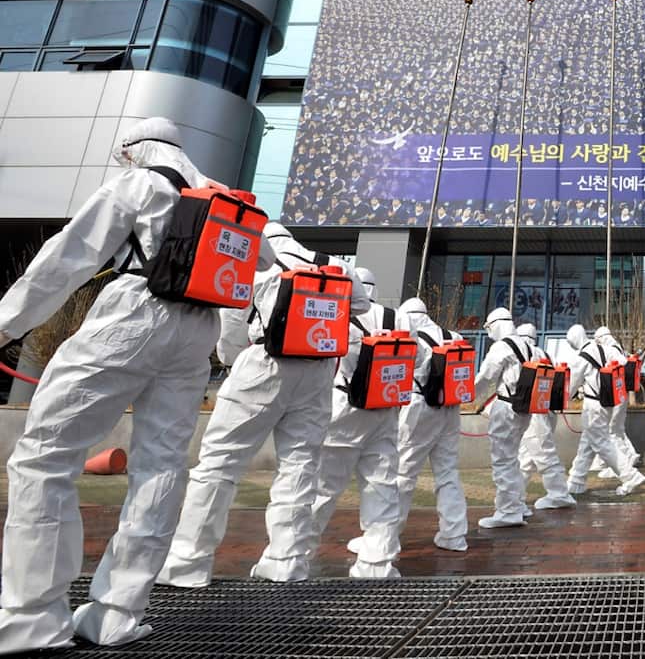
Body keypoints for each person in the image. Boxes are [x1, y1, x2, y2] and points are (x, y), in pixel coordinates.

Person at [0, 118, 274, 652]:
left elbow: (66, 257)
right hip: (197, 329)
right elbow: (257, 272)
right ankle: (118, 613)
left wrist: (7, 323)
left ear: (132, 150)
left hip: (133, 313)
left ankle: (33, 617)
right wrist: (228, 351)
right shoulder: (224, 202)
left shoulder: (138, 184)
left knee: (44, 457)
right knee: (163, 464)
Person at [158, 223, 366, 588]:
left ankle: (188, 561)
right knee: (300, 465)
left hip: (264, 363)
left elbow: (231, 330)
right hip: (317, 372)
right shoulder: (337, 265)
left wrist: (233, 359)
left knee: (220, 463)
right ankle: (286, 560)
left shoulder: (258, 266)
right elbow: (362, 305)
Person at [308, 267, 407, 577]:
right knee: (381, 486)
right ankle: (377, 564)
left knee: (323, 487)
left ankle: (296, 554)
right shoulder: (398, 318)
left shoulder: (336, 310)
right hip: (385, 408)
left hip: (343, 405)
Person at [380, 297, 468, 551]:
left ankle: (386, 538)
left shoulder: (412, 337)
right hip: (450, 407)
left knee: (404, 472)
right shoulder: (455, 336)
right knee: (448, 471)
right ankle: (454, 535)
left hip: (419, 407)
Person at [565, 325, 645, 496]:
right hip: (609, 401)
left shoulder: (581, 358)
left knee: (602, 443)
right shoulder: (605, 348)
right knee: (587, 444)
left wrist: (560, 402)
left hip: (593, 405)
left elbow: (570, 386)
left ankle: (630, 476)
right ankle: (576, 481)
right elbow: (623, 363)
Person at [473, 308, 535, 528]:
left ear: (497, 323)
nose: (489, 333)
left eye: (489, 328)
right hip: (524, 409)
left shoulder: (501, 347)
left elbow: (486, 376)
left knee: (503, 460)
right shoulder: (529, 346)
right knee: (513, 459)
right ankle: (517, 505)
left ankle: (507, 511)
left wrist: (466, 395)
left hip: (506, 407)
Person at [514, 322, 576, 512]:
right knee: (526, 456)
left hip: (533, 412)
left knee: (543, 452)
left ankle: (559, 494)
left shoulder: (521, 353)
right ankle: (516, 497)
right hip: (546, 409)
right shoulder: (545, 354)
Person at [589, 326, 642, 478]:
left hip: (616, 392)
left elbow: (622, 362)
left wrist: (608, 367)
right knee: (617, 429)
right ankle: (629, 455)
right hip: (622, 392)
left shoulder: (611, 349)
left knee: (612, 429)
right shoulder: (618, 347)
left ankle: (620, 462)